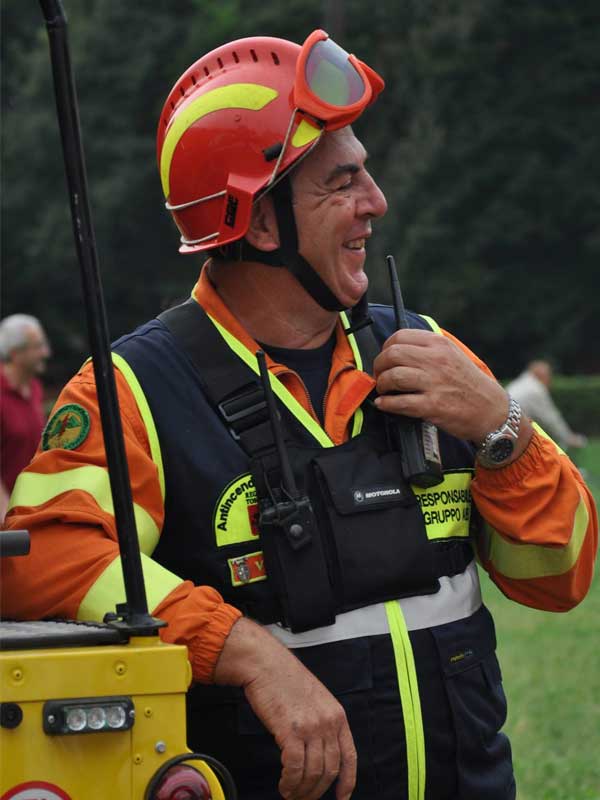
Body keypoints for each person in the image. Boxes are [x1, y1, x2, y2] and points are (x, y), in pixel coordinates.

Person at [2, 30, 597, 800]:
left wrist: (501, 430)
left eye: (367, 175)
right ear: (258, 223)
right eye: (340, 183)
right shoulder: (134, 389)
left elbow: (561, 577)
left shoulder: (431, 351)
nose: (376, 203)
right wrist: (245, 650)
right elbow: (38, 561)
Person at [0, 314, 51, 521]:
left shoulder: (35, 389)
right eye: (37, 347)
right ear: (15, 353)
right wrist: (5, 517)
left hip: (30, 512)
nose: (46, 353)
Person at [506, 360, 587, 451]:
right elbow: (551, 420)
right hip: (516, 439)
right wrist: (569, 438)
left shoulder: (520, 383)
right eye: (549, 375)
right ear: (543, 375)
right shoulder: (535, 389)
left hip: (508, 434)